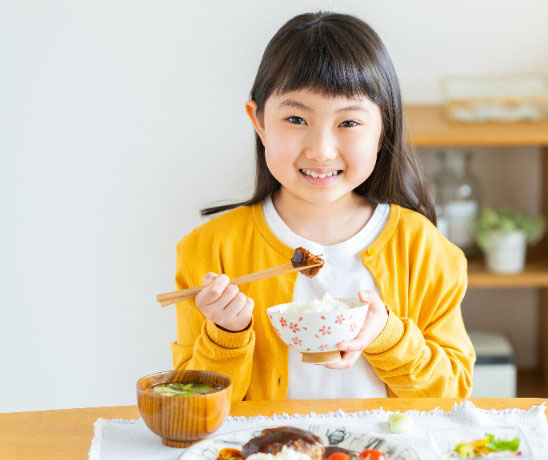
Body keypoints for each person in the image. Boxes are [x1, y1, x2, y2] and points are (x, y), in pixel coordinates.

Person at [170, 11, 474, 401]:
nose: (321, 150)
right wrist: (225, 336)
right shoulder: (209, 250)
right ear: (259, 121)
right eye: (296, 118)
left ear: (384, 129)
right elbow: (188, 401)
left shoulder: (423, 248)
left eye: (348, 123)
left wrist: (388, 337)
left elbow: (453, 395)